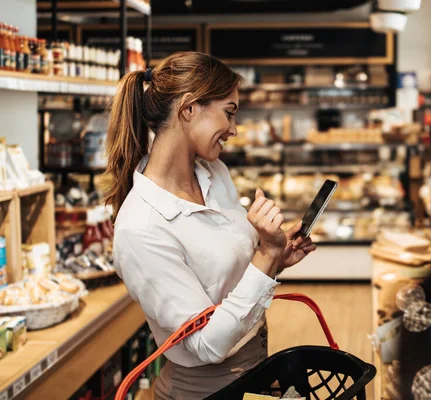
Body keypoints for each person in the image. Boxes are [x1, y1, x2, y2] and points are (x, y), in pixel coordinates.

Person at [105, 52, 316, 399]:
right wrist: (266, 254)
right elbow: (205, 344)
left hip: (256, 372)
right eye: (229, 112)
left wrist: (276, 256)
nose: (233, 129)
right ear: (189, 109)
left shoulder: (214, 174)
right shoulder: (140, 229)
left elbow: (230, 277)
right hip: (205, 391)